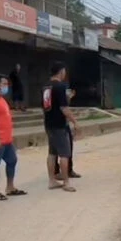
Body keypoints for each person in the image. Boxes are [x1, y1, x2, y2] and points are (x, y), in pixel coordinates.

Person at [0, 74, 26, 201]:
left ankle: (10, 187)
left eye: (7, 84)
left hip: (7, 139)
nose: (6, 86)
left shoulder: (1, 99)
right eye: (4, 84)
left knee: (12, 160)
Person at [43, 62, 78, 192]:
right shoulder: (60, 86)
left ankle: (51, 180)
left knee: (52, 153)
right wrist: (75, 121)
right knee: (64, 153)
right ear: (61, 71)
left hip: (48, 123)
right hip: (59, 124)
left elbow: (48, 105)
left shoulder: (46, 86)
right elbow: (64, 108)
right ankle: (66, 182)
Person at [55, 87, 81, 179]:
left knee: (69, 147)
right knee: (57, 150)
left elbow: (66, 104)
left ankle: (69, 170)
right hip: (57, 124)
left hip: (64, 123)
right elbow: (64, 108)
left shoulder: (62, 89)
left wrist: (68, 98)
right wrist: (75, 122)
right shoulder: (57, 89)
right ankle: (57, 171)